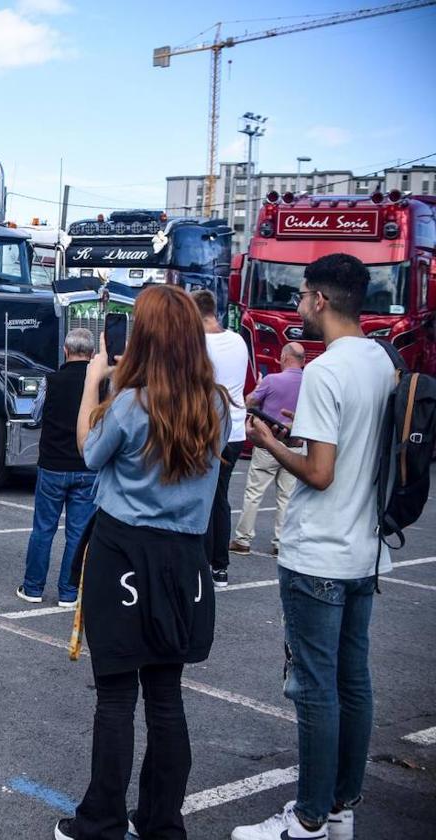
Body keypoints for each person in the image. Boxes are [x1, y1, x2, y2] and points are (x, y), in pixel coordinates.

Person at [55, 284, 228, 840]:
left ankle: (100, 820)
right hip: (183, 560)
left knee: (115, 696)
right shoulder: (217, 405)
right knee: (165, 696)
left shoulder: (130, 405)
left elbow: (88, 449)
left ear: (148, 339)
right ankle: (160, 822)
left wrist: (93, 383)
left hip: (124, 552)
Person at [234, 254, 395, 840]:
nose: (298, 306)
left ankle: (306, 819)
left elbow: (320, 471)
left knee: (314, 687)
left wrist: (268, 442)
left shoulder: (327, 372)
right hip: (364, 549)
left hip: (319, 552)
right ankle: (341, 808)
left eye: (301, 295)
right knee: (354, 681)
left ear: (320, 300)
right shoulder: (380, 360)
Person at [17, 327, 97, 607]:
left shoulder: (50, 380)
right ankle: (69, 592)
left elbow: (34, 416)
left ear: (66, 350)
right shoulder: (99, 385)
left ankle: (33, 588)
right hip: (87, 466)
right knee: (77, 532)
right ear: (92, 355)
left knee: (43, 529)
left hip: (52, 464)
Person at [192, 288, 248, 587]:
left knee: (203, 496)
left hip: (208, 429)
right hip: (236, 430)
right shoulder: (238, 340)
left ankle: (203, 563)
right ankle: (221, 566)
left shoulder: (200, 344)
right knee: (221, 498)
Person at [230, 343, 305, 556]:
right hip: (295, 444)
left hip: (267, 442)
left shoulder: (271, 380)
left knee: (254, 492)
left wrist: (259, 385)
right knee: (287, 496)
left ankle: (243, 540)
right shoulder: (310, 382)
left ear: (284, 357)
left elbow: (249, 402)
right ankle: (280, 542)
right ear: (302, 360)